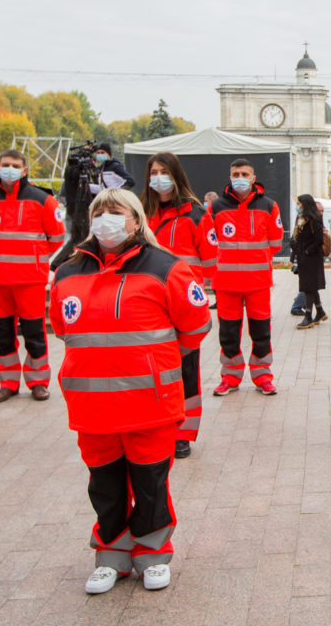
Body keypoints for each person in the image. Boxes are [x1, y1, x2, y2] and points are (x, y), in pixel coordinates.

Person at [49, 188, 211, 594]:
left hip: (149, 403)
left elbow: (194, 328)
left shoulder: (166, 268)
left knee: (150, 483)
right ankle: (112, 557)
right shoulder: (68, 272)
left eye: (116, 212)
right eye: (99, 212)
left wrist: (153, 364)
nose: (106, 219)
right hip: (92, 406)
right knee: (103, 484)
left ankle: (152, 554)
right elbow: (62, 327)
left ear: (136, 221)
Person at [141, 152, 218, 459]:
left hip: (183, 302)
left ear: (176, 175)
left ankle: (183, 432)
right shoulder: (141, 213)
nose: (157, 176)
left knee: (186, 368)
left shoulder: (197, 214)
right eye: (153, 171)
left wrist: (194, 288)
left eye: (163, 171)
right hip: (147, 303)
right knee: (150, 367)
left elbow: (210, 262)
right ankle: (155, 425)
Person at [0, 149, 65, 402]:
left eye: (15, 165)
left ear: (25, 170)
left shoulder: (42, 200)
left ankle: (38, 382)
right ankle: (8, 383)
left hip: (30, 281)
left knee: (34, 334)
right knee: (2, 335)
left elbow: (57, 238)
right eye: (6, 164)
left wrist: (33, 257)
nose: (10, 168)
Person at [207, 159, 283, 396]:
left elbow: (275, 244)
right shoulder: (215, 207)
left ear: (253, 177)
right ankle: (229, 377)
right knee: (228, 333)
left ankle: (263, 377)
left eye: (244, 174)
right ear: (229, 176)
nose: (239, 177)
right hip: (226, 284)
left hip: (258, 283)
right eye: (235, 173)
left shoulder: (269, 206)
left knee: (261, 332)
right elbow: (209, 243)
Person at [292, 194, 327, 329]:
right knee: (310, 286)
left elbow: (319, 240)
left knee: (308, 287)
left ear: (306, 204)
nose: (298, 206)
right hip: (303, 258)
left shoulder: (314, 219)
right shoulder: (301, 219)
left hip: (311, 258)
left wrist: (307, 251)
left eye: (300, 204)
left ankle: (308, 316)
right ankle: (320, 312)